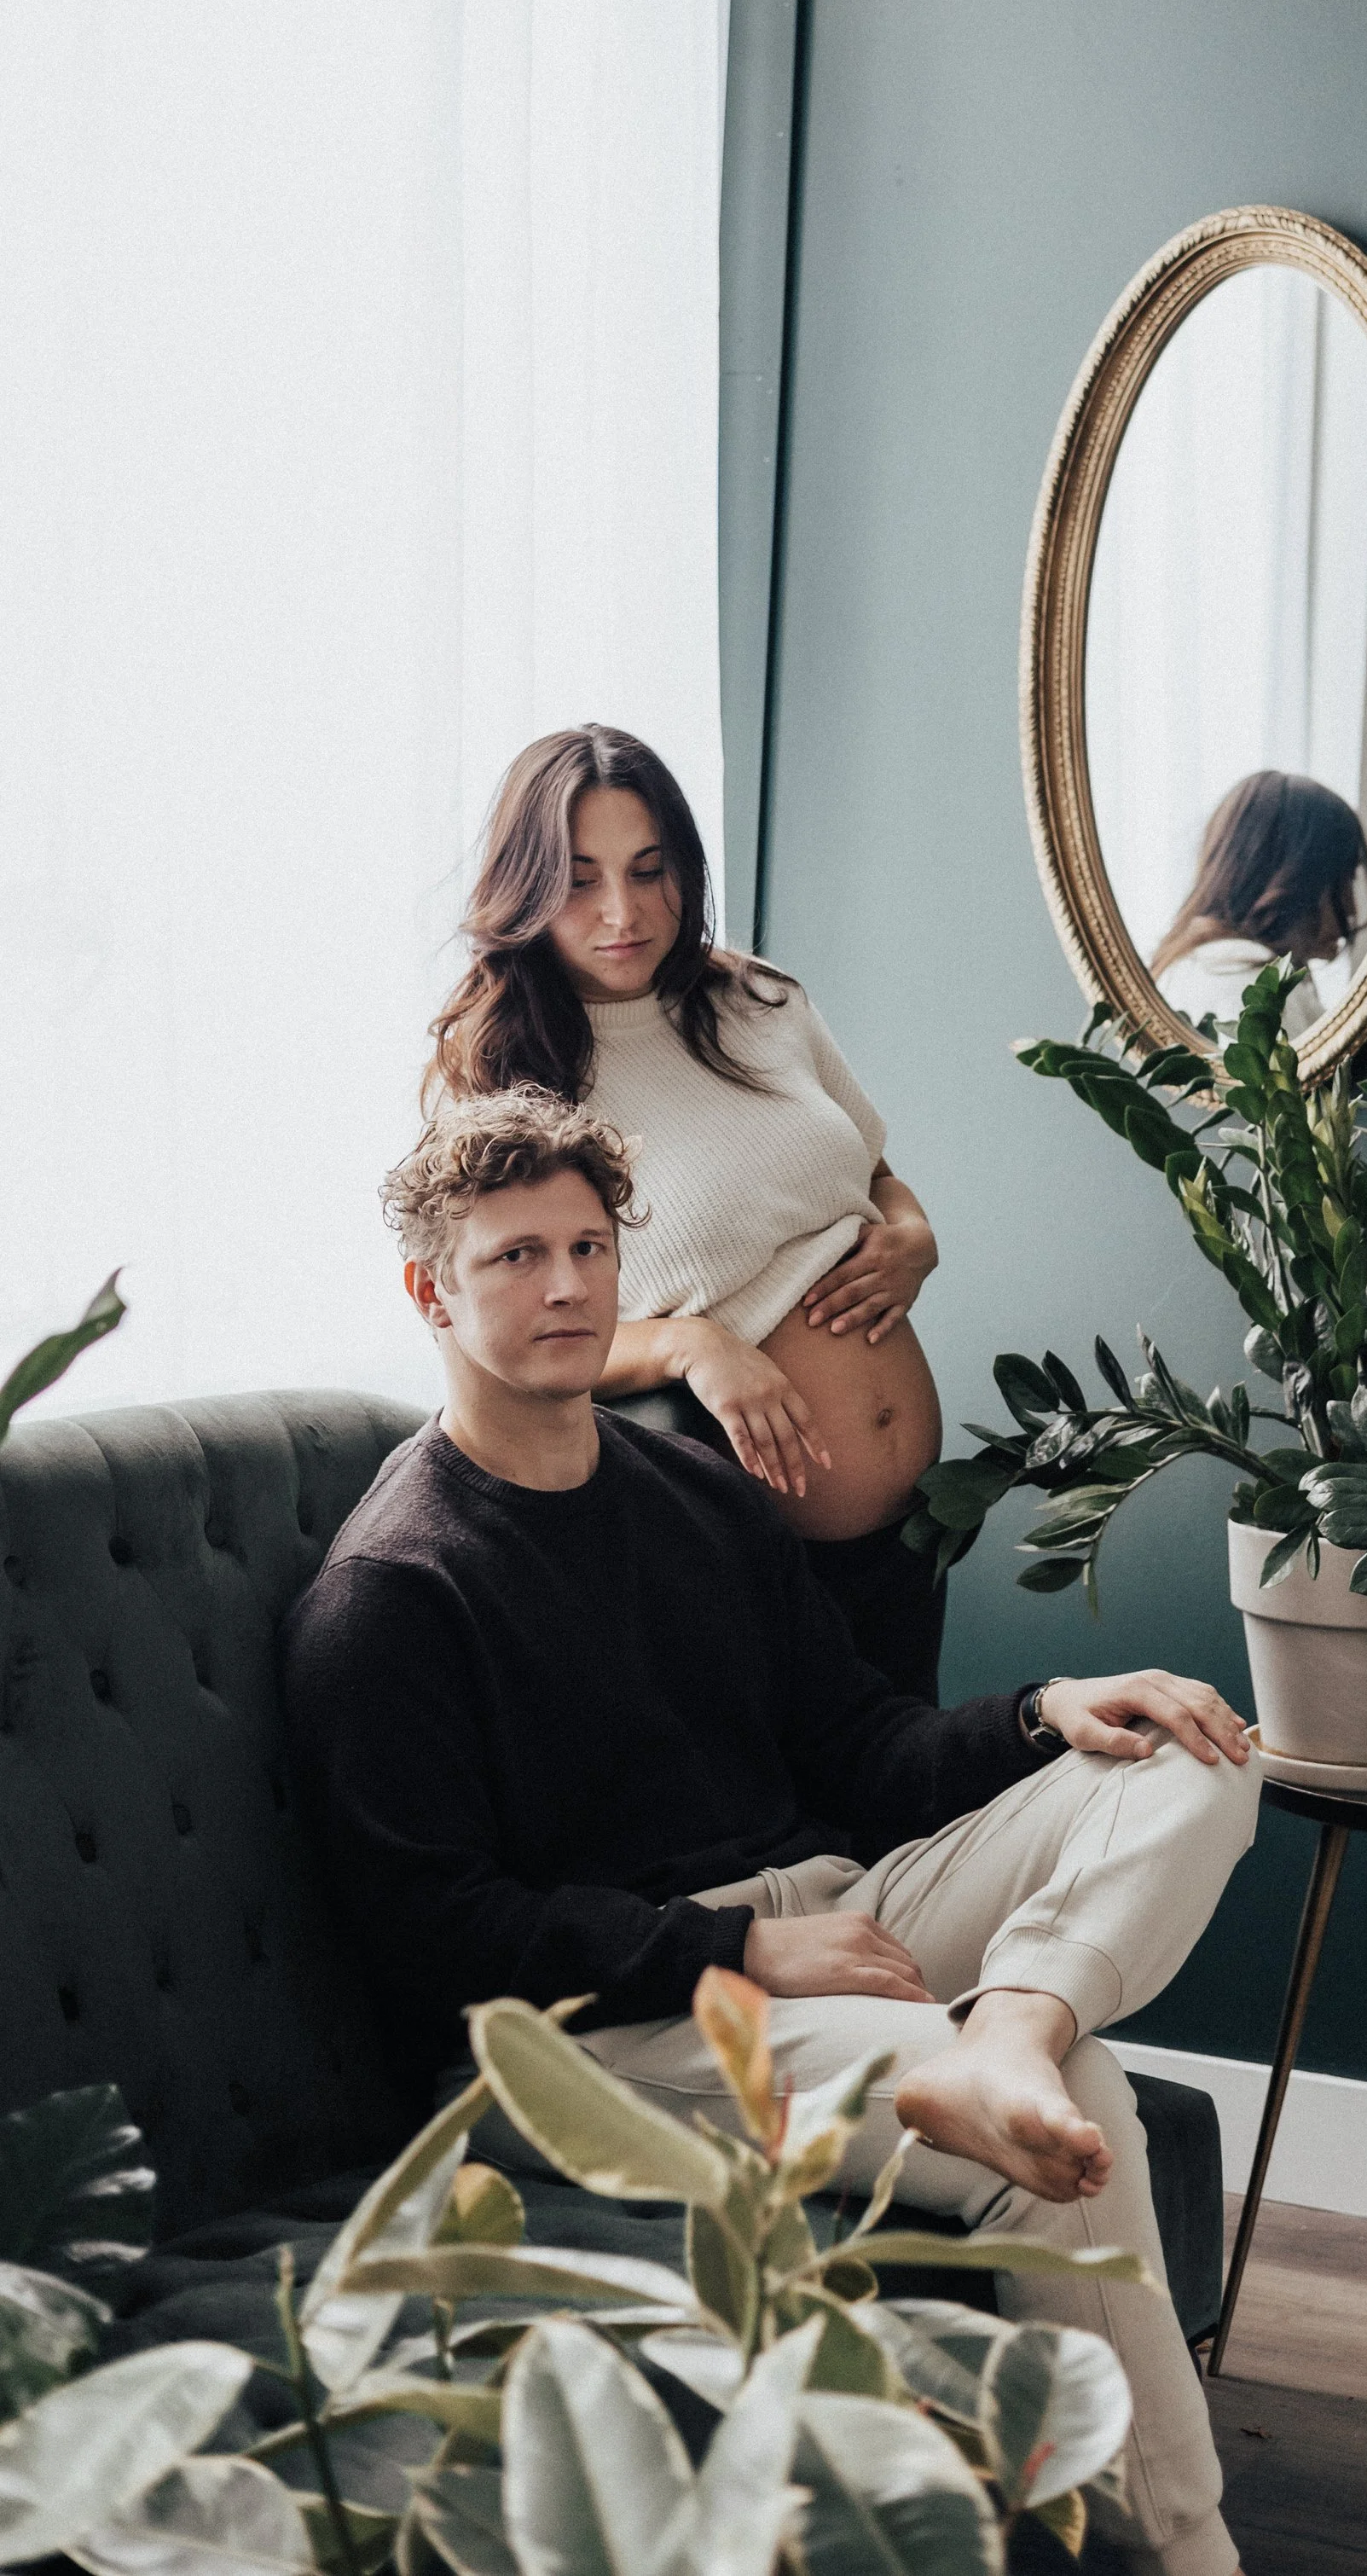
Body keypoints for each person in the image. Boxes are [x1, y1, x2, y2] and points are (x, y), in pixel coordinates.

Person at [281, 1088, 1260, 2576]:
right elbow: (436, 1933)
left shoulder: (698, 1495)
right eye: (516, 1256)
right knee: (1078, 2110)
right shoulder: (393, 1588)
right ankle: (1190, 2552)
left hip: (834, 1907)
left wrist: (1046, 1712)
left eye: (589, 1248)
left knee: (1199, 1748)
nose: (566, 1286)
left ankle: (1009, 2030)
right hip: (610, 2025)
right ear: (431, 1291)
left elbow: (862, 1747)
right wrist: (737, 1950)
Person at [426, 725, 949, 1697]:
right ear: (527, 887)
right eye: (580, 880)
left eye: (649, 870)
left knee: (920, 1782)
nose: (623, 913)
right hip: (739, 1556)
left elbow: (876, 1175)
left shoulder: (759, 999)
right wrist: (688, 1344)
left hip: (914, 1536)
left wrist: (914, 1237)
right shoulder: (507, 1074)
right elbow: (496, 1338)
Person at [1150, 769, 1367, 1033]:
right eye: (1344, 880)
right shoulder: (1261, 994)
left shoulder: (1184, 969)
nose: (1351, 909)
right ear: (1298, 881)